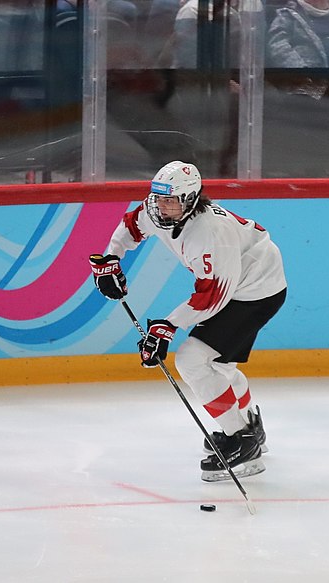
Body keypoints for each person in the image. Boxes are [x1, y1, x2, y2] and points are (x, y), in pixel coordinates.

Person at [89, 161, 287, 482]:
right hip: (243, 285)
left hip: (254, 291)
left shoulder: (209, 234)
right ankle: (250, 428)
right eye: (158, 198)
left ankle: (242, 443)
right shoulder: (160, 210)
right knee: (219, 366)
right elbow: (132, 225)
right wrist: (112, 258)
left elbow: (213, 296)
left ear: (191, 199)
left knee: (193, 360)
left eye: (171, 200)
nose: (162, 207)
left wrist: (167, 326)